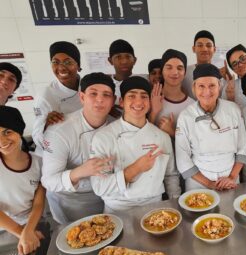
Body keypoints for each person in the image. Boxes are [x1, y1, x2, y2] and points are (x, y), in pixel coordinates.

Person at [90, 76, 181, 213]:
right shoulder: (104, 137)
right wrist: (136, 168)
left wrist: (176, 204)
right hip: (118, 209)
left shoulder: (162, 137)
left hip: (155, 207)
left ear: (150, 102)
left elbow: (171, 176)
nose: (138, 101)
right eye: (131, 96)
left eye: (144, 96)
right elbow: (99, 187)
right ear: (121, 102)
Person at [41, 73, 116, 224]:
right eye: (93, 93)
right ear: (82, 97)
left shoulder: (116, 125)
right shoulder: (60, 131)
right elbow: (48, 181)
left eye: (106, 95)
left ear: (113, 101)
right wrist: (79, 172)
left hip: (110, 197)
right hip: (72, 202)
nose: (100, 99)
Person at [175, 64, 246, 191]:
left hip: (229, 179)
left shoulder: (233, 109)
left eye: (212, 86)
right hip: (198, 182)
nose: (207, 92)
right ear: (194, 88)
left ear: (219, 86)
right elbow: (183, 159)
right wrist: (209, 184)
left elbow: (242, 148)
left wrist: (231, 177)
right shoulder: (186, 116)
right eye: (201, 86)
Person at [0, 106, 45, 255]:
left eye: (8, 132)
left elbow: (38, 203)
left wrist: (28, 230)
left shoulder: (38, 163)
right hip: (5, 230)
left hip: (32, 223)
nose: (2, 140)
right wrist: (22, 233)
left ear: (19, 131)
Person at [32, 41, 82, 156]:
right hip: (58, 152)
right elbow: (37, 139)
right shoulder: (45, 95)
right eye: (55, 62)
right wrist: (46, 124)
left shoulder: (88, 87)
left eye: (68, 62)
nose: (61, 68)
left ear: (78, 65)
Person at [149, 49, 195, 137]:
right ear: (162, 71)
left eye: (179, 68)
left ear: (185, 72)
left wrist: (173, 133)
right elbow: (142, 137)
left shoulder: (192, 105)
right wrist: (153, 113)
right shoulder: (150, 99)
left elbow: (195, 142)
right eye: (169, 67)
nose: (174, 72)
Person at [182, 30, 217, 99]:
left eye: (209, 45)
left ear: (214, 49)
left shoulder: (220, 74)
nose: (204, 49)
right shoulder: (184, 72)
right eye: (200, 45)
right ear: (193, 49)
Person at [222, 44, 246, 110]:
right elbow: (225, 114)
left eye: (243, 59)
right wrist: (230, 99)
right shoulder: (229, 88)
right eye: (234, 64)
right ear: (233, 70)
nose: (240, 64)